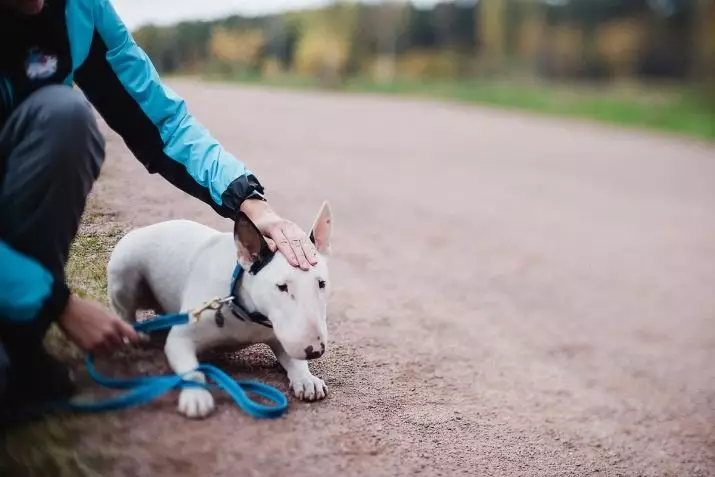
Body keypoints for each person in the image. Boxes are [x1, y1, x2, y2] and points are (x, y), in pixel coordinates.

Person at [0, 0, 317, 424]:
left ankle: (19, 337)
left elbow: (164, 123)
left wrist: (251, 202)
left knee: (65, 116)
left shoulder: (81, 10)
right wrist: (54, 304)